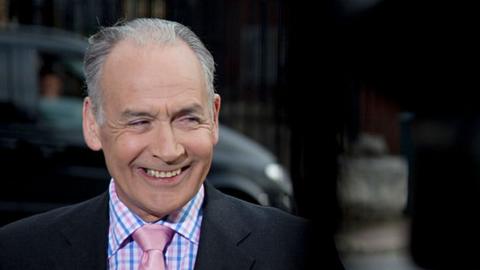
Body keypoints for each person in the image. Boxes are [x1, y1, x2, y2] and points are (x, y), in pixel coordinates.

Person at [0, 18, 342, 269]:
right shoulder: (17, 253)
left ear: (215, 117)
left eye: (188, 118)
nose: (167, 150)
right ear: (92, 124)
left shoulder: (299, 253)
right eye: (139, 121)